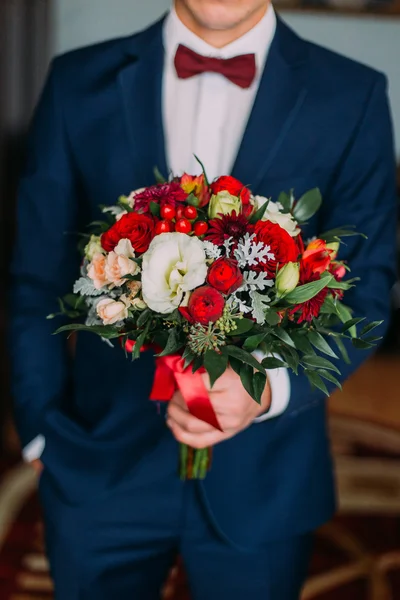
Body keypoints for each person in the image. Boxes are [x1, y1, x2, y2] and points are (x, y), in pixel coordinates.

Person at [9, 0, 397, 598]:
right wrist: (40, 429)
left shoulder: (354, 93)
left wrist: (268, 389)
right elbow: (35, 274)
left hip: (266, 475)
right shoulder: (77, 81)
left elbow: (367, 286)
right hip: (100, 462)